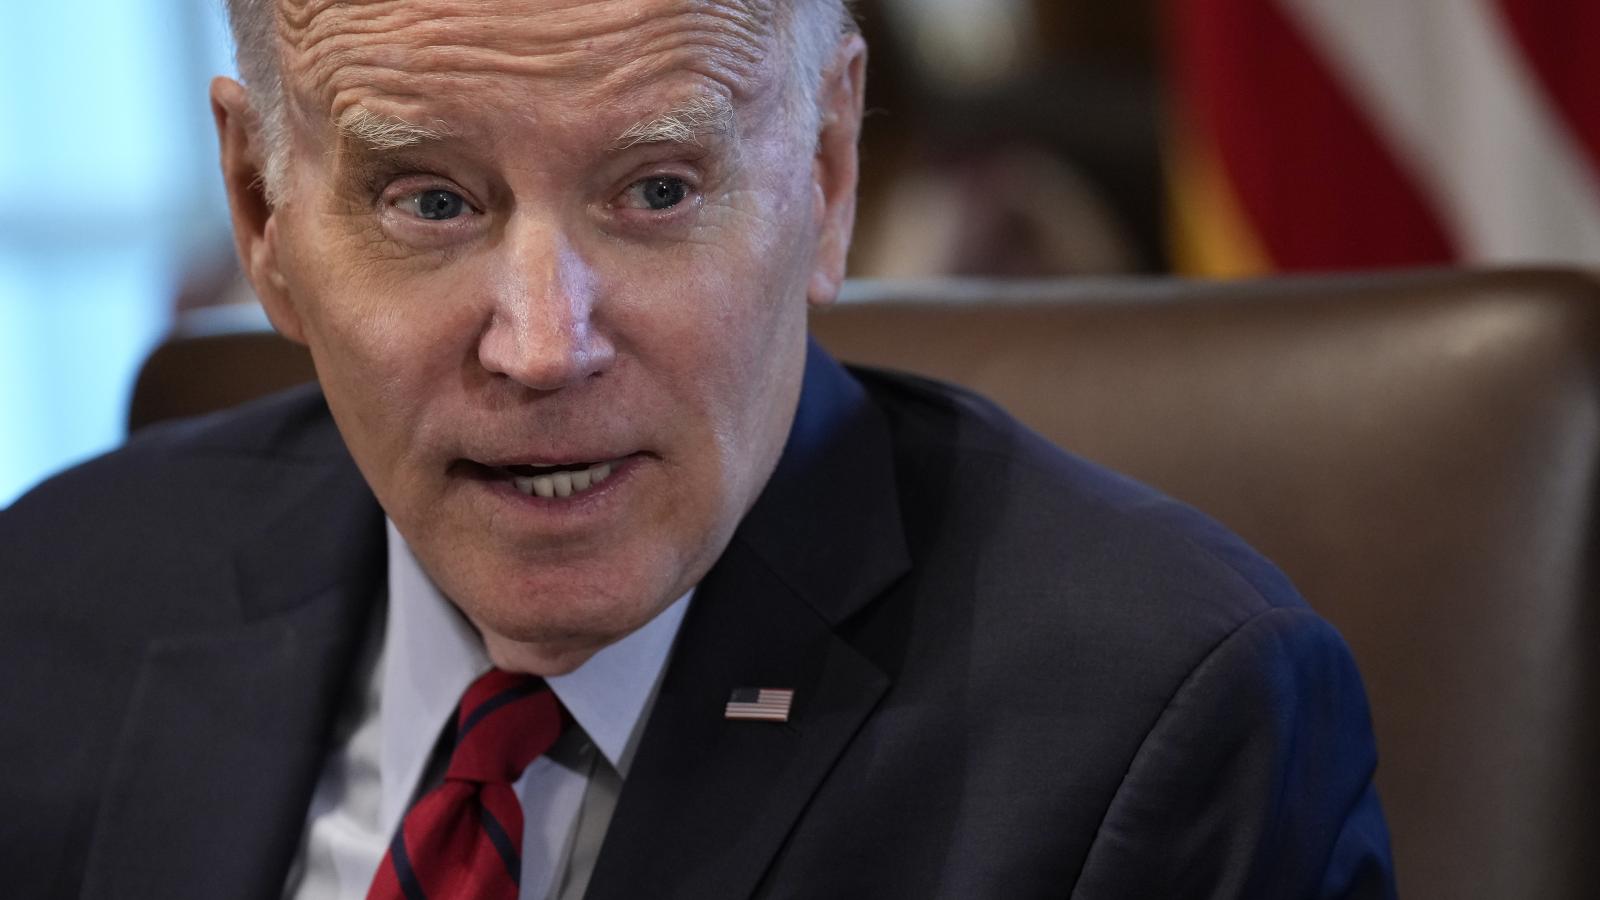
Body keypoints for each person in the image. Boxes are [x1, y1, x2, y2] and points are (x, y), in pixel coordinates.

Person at [0, 1, 1396, 897]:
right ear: (262, 211)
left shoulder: (1160, 729)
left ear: (829, 172)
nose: (543, 345)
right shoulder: (57, 598)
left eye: (658, 189)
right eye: (430, 201)